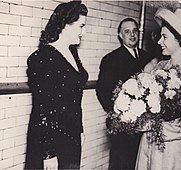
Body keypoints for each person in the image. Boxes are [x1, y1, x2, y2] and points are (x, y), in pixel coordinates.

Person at [135, 8, 181, 170]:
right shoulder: (157, 66)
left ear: (179, 40)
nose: (159, 42)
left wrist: (155, 127)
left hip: (174, 150)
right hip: (148, 144)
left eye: (165, 37)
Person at [25, 1, 88, 169]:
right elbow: (41, 109)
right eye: (81, 26)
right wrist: (48, 153)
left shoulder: (72, 52)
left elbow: (75, 100)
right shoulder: (42, 58)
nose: (84, 32)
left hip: (71, 135)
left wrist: (79, 129)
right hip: (50, 139)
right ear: (66, 24)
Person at [96, 18, 153, 170]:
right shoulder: (110, 59)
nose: (132, 35)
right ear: (120, 35)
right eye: (127, 32)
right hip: (123, 126)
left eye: (134, 31)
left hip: (145, 125)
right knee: (122, 164)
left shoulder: (148, 58)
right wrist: (118, 113)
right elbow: (102, 91)